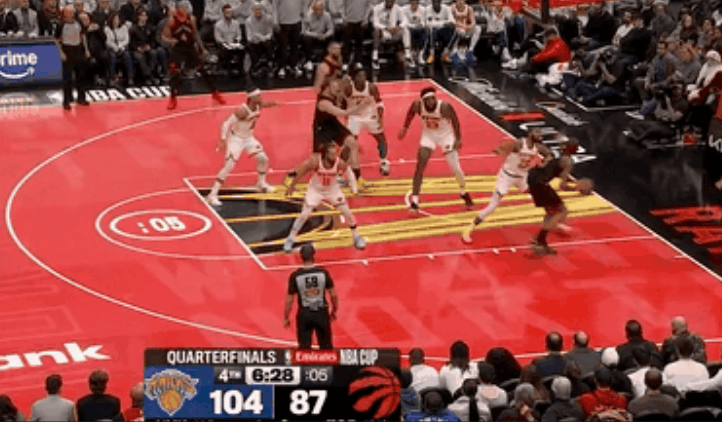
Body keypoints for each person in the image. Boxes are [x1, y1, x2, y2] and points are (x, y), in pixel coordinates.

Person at [461, 131, 550, 244]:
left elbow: (548, 154)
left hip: (522, 177)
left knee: (538, 194)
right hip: (507, 177)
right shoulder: (519, 143)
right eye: (537, 136)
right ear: (530, 136)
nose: (539, 139)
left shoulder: (538, 147)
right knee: (492, 206)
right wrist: (500, 150)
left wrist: (543, 163)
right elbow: (506, 147)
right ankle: (469, 228)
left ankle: (552, 220)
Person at [284, 78, 372, 193]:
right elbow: (342, 113)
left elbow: (344, 101)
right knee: (316, 159)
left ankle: (357, 178)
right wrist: (362, 105)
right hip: (322, 129)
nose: (337, 89)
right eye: (335, 87)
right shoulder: (323, 103)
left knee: (352, 143)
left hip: (333, 124)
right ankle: (292, 175)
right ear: (327, 88)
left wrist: (347, 90)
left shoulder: (334, 93)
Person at [398, 87, 473, 213]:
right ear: (423, 100)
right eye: (428, 99)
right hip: (429, 135)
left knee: (455, 167)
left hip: (446, 136)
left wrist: (458, 138)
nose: (432, 101)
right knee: (420, 165)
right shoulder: (417, 105)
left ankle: (463, 191)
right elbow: (410, 113)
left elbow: (455, 120)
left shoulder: (444, 107)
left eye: (433, 98)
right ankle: (415, 199)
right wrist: (405, 127)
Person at [283, 142, 366, 252]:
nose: (335, 156)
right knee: (304, 214)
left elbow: (348, 171)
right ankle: (291, 237)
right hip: (315, 190)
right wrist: (292, 186)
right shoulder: (315, 162)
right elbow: (301, 172)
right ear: (325, 155)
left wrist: (353, 187)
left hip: (332, 190)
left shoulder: (339, 163)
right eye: (332, 154)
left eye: (335, 153)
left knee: (347, 212)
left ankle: (356, 235)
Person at [206, 88, 277, 206]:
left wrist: (277, 103)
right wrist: (223, 139)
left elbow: (267, 103)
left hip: (248, 138)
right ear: (252, 99)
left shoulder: (258, 105)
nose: (261, 97)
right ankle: (212, 194)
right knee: (229, 166)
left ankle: (261, 183)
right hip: (236, 139)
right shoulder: (242, 111)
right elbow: (226, 124)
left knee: (263, 158)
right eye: (259, 96)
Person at [525, 138, 585, 255]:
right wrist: (577, 189)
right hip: (541, 183)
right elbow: (563, 185)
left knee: (550, 212)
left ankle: (539, 241)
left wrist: (575, 181)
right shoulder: (567, 161)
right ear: (574, 150)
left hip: (532, 179)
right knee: (561, 210)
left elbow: (553, 170)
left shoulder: (555, 153)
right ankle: (538, 241)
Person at [162, 1, 225, 110]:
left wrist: (202, 49)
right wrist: (171, 41)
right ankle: (173, 98)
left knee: (203, 71)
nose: (184, 10)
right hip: (178, 48)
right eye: (182, 8)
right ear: (177, 9)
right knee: (174, 73)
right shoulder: (171, 20)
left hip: (190, 48)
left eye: (185, 8)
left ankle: (215, 93)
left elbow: (196, 34)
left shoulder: (191, 19)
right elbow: (164, 36)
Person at [284, 243, 338, 349]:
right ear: (314, 256)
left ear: (301, 256)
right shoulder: (323, 273)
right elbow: (333, 295)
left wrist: (286, 316)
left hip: (304, 314)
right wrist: (334, 310)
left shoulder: (295, 276)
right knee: (326, 347)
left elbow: (289, 300)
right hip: (321, 313)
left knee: (304, 348)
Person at [344, 67, 390, 176]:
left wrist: (380, 117)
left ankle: (384, 161)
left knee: (381, 138)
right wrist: (346, 114)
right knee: (349, 142)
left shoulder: (371, 87)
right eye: (360, 76)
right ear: (354, 78)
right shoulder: (349, 88)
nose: (362, 78)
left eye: (364, 75)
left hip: (369, 115)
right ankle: (343, 168)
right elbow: (342, 101)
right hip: (355, 116)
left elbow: (379, 103)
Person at [55, 6, 89, 110]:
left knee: (81, 75)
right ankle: (67, 100)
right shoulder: (61, 25)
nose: (71, 14)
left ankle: (81, 97)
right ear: (64, 14)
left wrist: (86, 50)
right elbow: (56, 40)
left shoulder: (79, 22)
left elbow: (83, 36)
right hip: (67, 50)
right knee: (67, 78)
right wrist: (61, 53)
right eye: (69, 12)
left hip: (78, 49)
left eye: (72, 12)